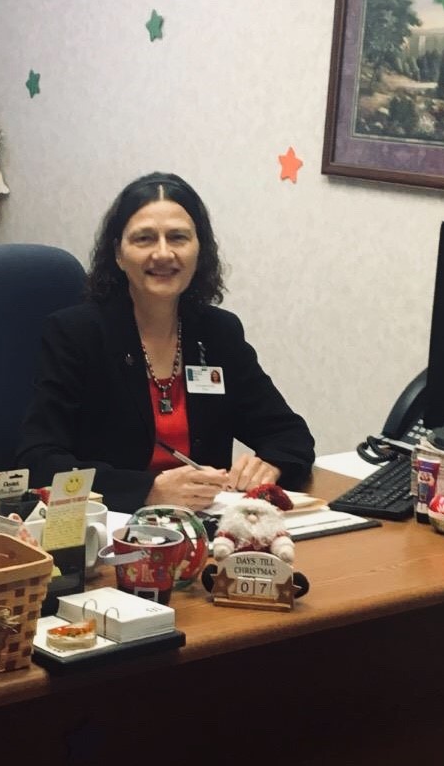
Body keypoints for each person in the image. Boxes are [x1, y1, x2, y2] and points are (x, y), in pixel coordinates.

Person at [16, 172, 315, 513]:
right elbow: (39, 460)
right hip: (110, 526)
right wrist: (148, 491)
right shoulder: (76, 334)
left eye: (178, 237)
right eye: (144, 239)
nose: (163, 253)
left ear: (199, 250)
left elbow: (290, 435)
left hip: (204, 528)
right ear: (118, 253)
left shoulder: (219, 333)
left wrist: (271, 464)